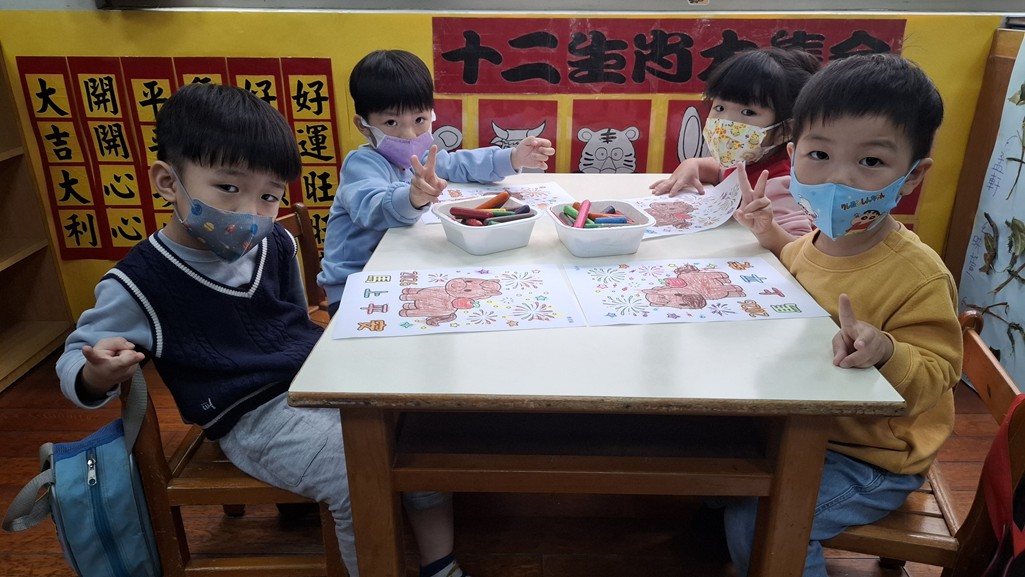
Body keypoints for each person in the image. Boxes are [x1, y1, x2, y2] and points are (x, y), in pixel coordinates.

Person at [53, 82, 462, 577]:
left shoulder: (275, 244)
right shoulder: (138, 281)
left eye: (268, 196)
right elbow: (75, 358)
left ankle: (439, 563)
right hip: (251, 416)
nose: (250, 212)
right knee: (358, 472)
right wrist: (96, 374)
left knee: (419, 429)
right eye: (228, 188)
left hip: (320, 382)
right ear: (167, 181)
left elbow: (293, 321)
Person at [726, 53, 962, 576]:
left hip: (869, 457)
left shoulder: (919, 275)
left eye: (871, 162)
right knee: (704, 471)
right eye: (819, 154)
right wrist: (768, 234)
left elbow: (939, 374)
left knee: (759, 521)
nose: (839, 178)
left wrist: (887, 350)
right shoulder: (812, 242)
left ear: (913, 176)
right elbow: (798, 268)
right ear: (792, 156)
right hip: (796, 425)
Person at [318, 49, 554, 314]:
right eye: (391, 122)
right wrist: (411, 198)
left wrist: (512, 157)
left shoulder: (420, 157)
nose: (409, 134)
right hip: (355, 285)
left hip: (401, 271)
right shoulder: (361, 164)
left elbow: (459, 164)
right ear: (363, 125)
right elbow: (371, 208)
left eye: (419, 120)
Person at [649, 47, 820, 236]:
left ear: (784, 131)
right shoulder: (747, 160)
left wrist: (768, 231)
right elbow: (721, 171)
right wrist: (693, 165)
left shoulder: (781, 184)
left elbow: (797, 246)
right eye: (720, 108)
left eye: (748, 112)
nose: (726, 122)